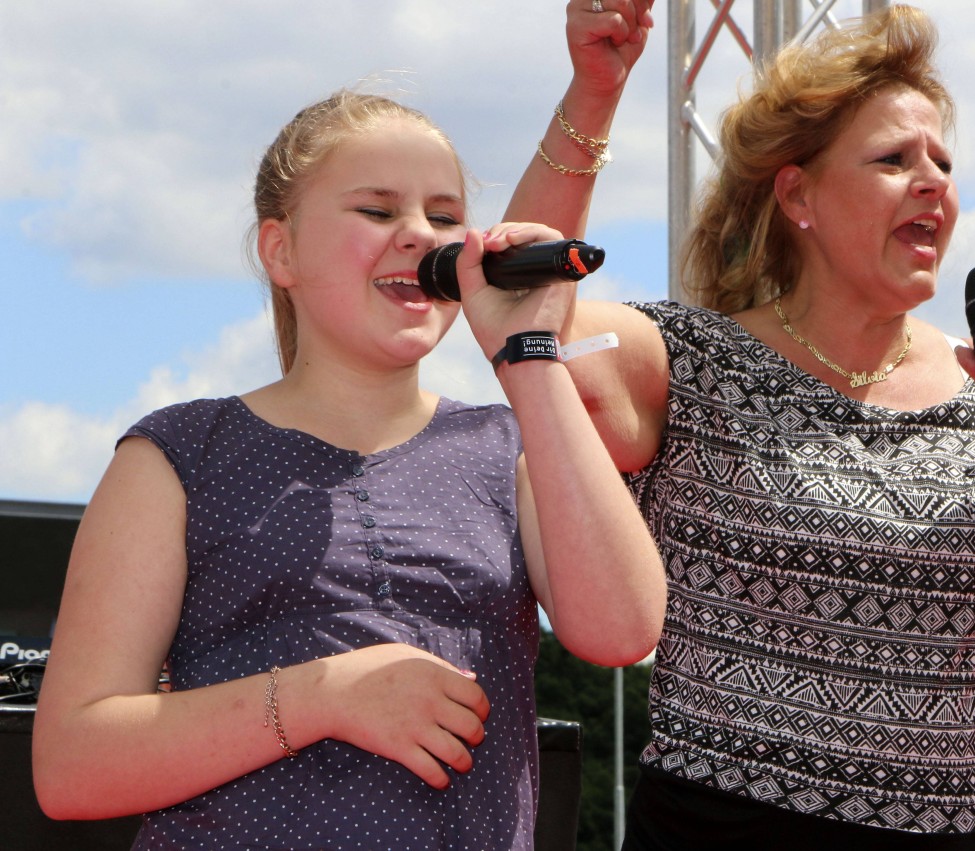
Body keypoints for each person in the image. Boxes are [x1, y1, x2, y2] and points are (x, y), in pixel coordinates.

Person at [30, 5, 664, 850]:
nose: (418, 234)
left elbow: (622, 629)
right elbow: (71, 764)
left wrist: (530, 355)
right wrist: (324, 696)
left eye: (444, 216)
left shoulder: (504, 448)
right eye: (375, 209)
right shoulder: (178, 456)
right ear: (279, 251)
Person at [534, 6, 975, 849]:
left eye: (942, 161)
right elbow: (526, 317)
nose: (932, 181)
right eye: (894, 160)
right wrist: (596, 90)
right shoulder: (695, 362)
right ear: (799, 195)